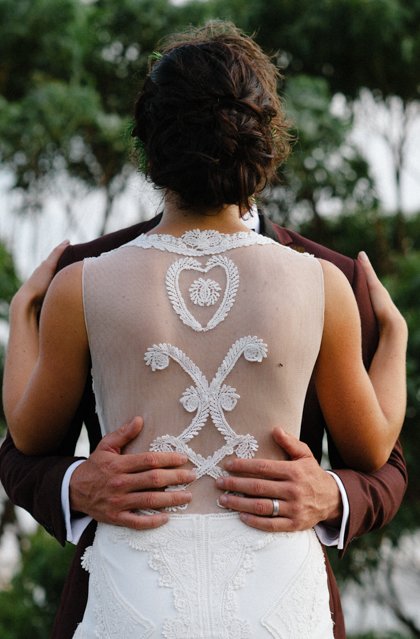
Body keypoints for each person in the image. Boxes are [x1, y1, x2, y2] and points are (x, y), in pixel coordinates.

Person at [1, 21, 408, 639]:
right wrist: (396, 336)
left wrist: (20, 316)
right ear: (265, 145)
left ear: (148, 146)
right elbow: (376, 445)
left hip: (135, 591)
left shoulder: (77, 283)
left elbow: (25, 431)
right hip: (275, 597)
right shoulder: (326, 283)